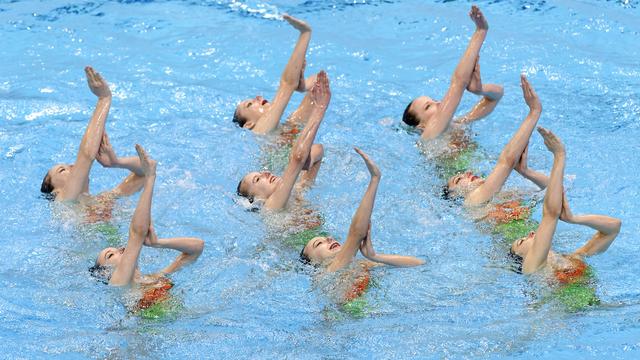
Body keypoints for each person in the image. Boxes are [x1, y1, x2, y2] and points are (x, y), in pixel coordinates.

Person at [300, 148, 423, 301]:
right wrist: (374, 179)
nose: (329, 239)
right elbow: (356, 234)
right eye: (319, 244)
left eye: (326, 238)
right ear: (314, 264)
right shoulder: (328, 273)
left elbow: (418, 264)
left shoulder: (359, 265)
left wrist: (375, 256)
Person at [90, 145, 204, 309]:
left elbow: (197, 248)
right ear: (105, 273)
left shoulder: (155, 278)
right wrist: (150, 177)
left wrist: (159, 243)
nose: (120, 249)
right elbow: (137, 233)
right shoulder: (118, 284)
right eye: (110, 255)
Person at [509, 129, 621, 280]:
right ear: (522, 258)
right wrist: (559, 155)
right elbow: (550, 214)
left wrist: (574, 219)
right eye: (521, 241)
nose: (530, 233)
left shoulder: (573, 259)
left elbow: (614, 228)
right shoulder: (533, 269)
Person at [40, 67, 146, 210]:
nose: (72, 166)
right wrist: (104, 99)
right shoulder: (63, 204)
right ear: (56, 191)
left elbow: (147, 172)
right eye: (62, 170)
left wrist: (116, 162)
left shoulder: (103, 200)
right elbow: (86, 156)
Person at [444, 75, 541, 221]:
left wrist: (526, 172)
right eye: (458, 180)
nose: (468, 172)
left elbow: (552, 189)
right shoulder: (472, 202)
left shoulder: (502, 195)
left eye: (462, 175)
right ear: (455, 197)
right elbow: (506, 162)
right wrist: (534, 111)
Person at [402, 6, 503, 142]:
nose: (438, 102)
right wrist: (480, 31)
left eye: (433, 100)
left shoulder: (459, 124)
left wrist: (479, 90)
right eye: (428, 106)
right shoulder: (429, 137)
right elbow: (458, 83)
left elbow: (497, 95)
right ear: (421, 126)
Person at [236, 71, 330, 210]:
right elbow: (297, 158)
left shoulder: (295, 194)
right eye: (257, 179)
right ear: (255, 200)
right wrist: (320, 108)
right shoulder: (269, 209)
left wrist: (308, 159)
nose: (266, 173)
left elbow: (318, 150)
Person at [232, 14, 317, 135]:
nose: (258, 97)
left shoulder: (289, 128)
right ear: (249, 124)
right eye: (250, 104)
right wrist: (305, 33)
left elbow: (321, 84)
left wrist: (302, 87)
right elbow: (287, 85)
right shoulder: (259, 132)